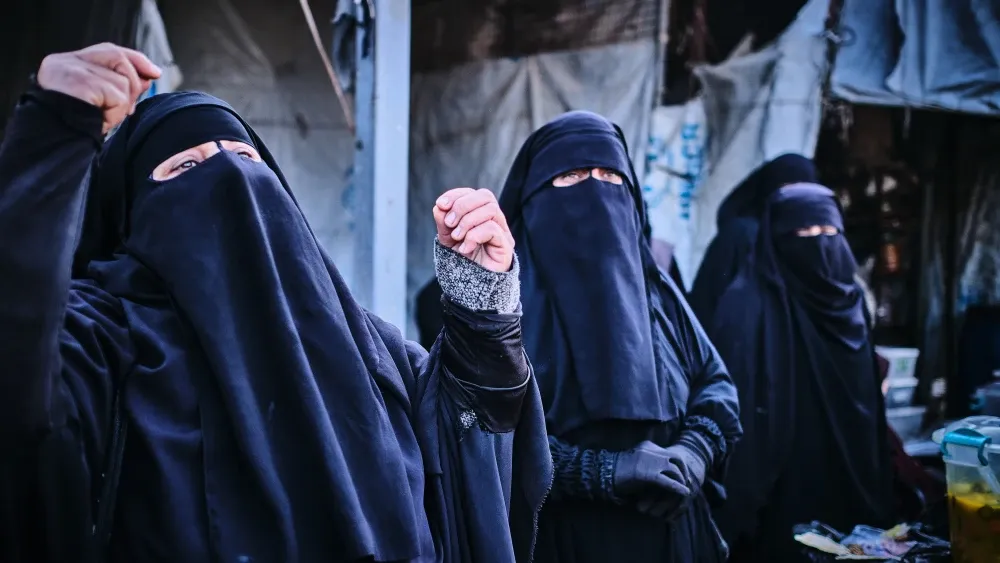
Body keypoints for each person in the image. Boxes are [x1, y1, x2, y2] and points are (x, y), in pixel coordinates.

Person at [0, 43, 552, 563]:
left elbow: (467, 459)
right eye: (185, 167)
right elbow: (22, 380)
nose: (232, 177)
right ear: (131, 214)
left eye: (246, 157)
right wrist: (52, 134)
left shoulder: (370, 351)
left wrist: (483, 300)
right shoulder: (104, 340)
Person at [496, 111, 742, 563]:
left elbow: (716, 383)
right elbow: (488, 431)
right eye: (570, 177)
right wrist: (604, 473)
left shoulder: (659, 292)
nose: (595, 190)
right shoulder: (502, 305)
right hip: (562, 543)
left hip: (674, 535)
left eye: (610, 175)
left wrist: (693, 453)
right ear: (530, 203)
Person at [692, 182, 894, 562]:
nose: (820, 244)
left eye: (829, 233)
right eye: (804, 233)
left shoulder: (849, 302)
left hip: (854, 469)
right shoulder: (746, 305)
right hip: (783, 481)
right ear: (776, 239)